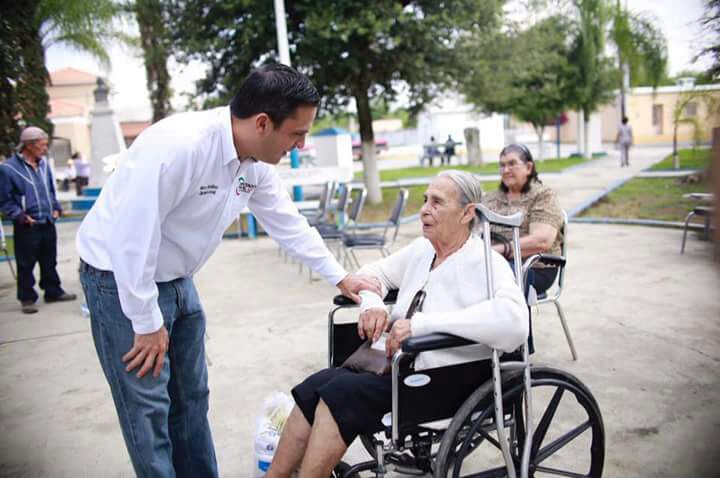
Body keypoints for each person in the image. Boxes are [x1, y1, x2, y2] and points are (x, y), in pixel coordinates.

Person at [75, 64, 380, 478]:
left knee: (192, 400)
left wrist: (340, 277)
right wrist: (145, 320)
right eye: (297, 133)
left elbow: (286, 221)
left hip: (179, 280)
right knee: (149, 411)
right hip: (122, 283)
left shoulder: (253, 161)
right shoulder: (180, 147)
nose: (301, 144)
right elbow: (132, 238)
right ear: (262, 123)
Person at [266, 170, 528, 478]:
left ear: (467, 213)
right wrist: (374, 304)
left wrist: (420, 325)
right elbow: (371, 273)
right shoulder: (422, 250)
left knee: (340, 397)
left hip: (444, 380)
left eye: (437, 202)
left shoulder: (485, 262)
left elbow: (515, 322)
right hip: (398, 369)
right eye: (425, 200)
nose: (424, 209)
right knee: (313, 388)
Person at [0, 126, 77, 314]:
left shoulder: (43, 165)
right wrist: (20, 216)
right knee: (26, 263)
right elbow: (5, 199)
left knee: (49, 259)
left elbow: (50, 190)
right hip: (27, 225)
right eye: (42, 145)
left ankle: (53, 291)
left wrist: (56, 208)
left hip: (48, 221)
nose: (45, 149)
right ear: (29, 145)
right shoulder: (8, 169)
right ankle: (27, 297)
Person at [481, 144, 564, 296]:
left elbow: (542, 241)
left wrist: (494, 252)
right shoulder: (490, 198)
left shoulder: (543, 196)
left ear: (528, 167)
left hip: (535, 267)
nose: (506, 170)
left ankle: (509, 318)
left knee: (488, 279)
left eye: (512, 164)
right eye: (502, 165)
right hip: (492, 263)